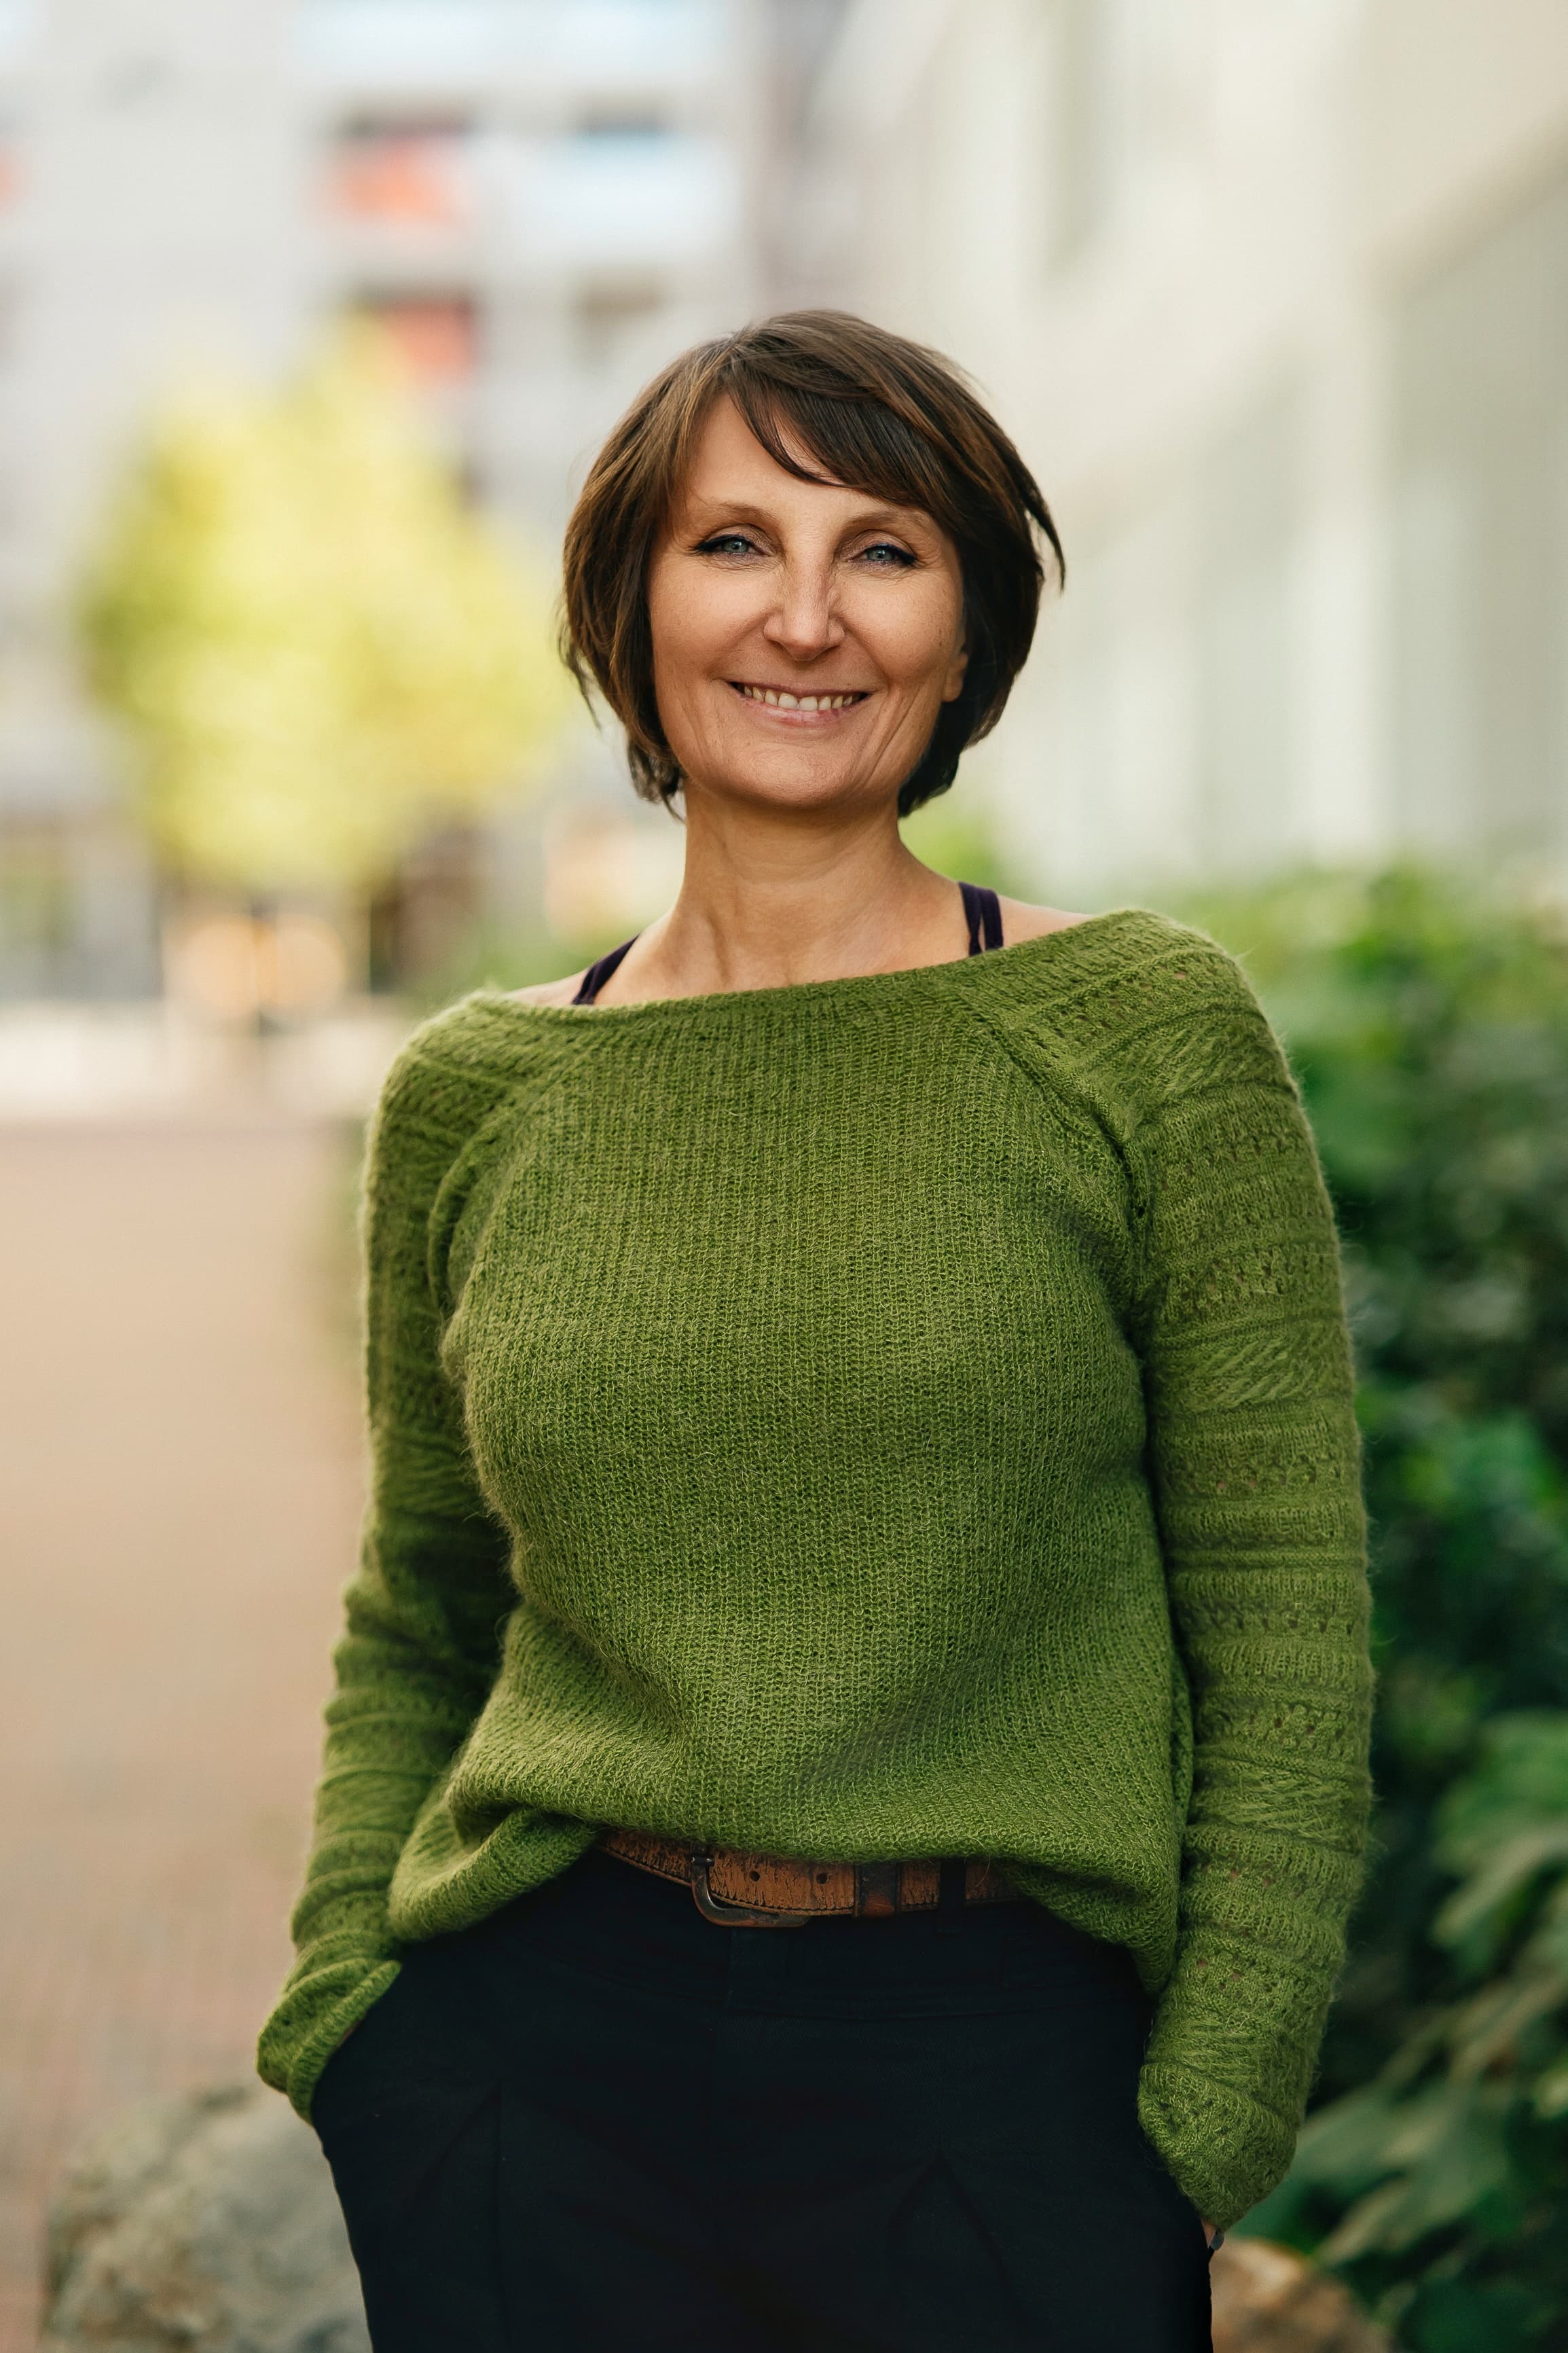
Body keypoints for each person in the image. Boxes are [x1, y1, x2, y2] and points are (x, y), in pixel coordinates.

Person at [259, 311, 1373, 2352]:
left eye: (883, 548)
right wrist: (360, 2029)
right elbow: (422, 1607)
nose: (805, 616)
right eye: (732, 544)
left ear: (968, 633)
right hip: (528, 2083)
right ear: (631, 609)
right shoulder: (475, 1096)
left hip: (999, 2085)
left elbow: (1285, 1613)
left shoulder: (1142, 1035)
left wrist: (1200, 2119)